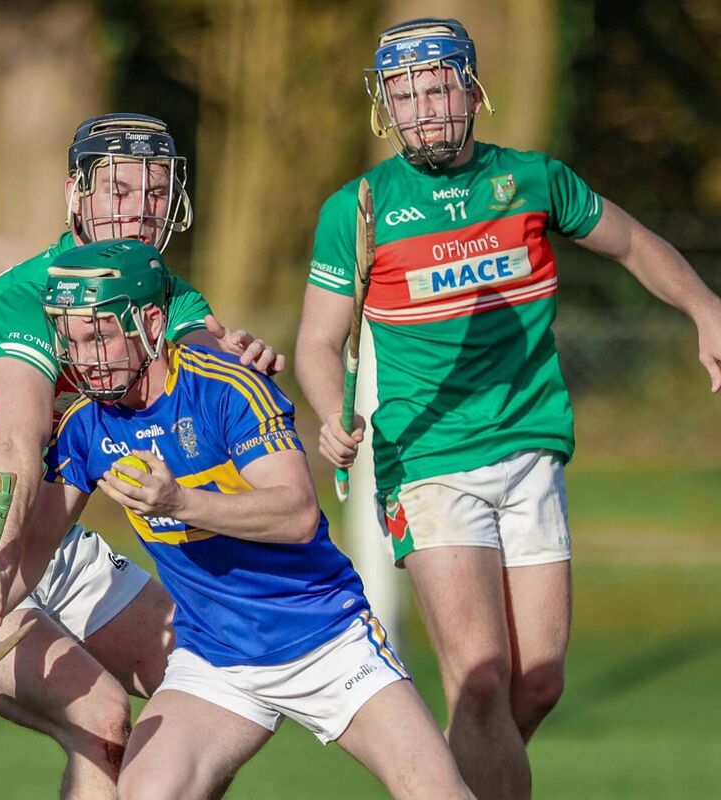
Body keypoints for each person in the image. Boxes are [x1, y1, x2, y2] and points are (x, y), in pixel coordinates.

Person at [293, 18, 721, 800]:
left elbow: (632, 245)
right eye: (403, 93)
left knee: (539, 685)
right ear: (384, 105)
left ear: (470, 88)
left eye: (433, 87)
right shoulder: (359, 207)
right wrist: (332, 414)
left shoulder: (532, 179)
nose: (420, 107)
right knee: (482, 683)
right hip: (426, 463)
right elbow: (319, 343)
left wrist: (705, 310)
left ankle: (435, 782)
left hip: (530, 453)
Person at [0, 238, 475, 799]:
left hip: (324, 637)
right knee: (146, 793)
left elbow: (297, 513)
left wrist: (178, 502)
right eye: (70, 338)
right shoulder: (85, 425)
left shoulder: (226, 386)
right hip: (215, 660)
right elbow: (38, 547)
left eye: (100, 334)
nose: (85, 357)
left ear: (150, 320)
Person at [0, 113, 284, 798]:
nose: (140, 212)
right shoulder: (24, 299)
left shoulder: (166, 297)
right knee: (100, 717)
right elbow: (16, 444)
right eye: (120, 191)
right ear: (77, 196)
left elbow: (216, 373)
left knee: (217, 685)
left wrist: (247, 366)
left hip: (59, 543)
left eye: (156, 194)